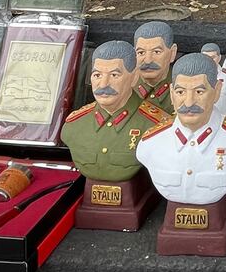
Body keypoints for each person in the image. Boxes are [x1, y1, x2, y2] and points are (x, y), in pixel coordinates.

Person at [136, 53, 226, 205]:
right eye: (180, 92)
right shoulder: (150, 143)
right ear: (171, 93)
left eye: (199, 92)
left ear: (217, 91)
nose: (189, 103)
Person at [62, 40, 169, 182]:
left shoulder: (157, 126)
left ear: (134, 77)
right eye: (97, 75)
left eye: (114, 75)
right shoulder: (75, 125)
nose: (104, 84)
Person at [133, 21, 177, 114]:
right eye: (141, 52)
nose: (148, 60)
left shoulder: (184, 89)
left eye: (156, 52)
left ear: (172, 53)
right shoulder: (125, 88)